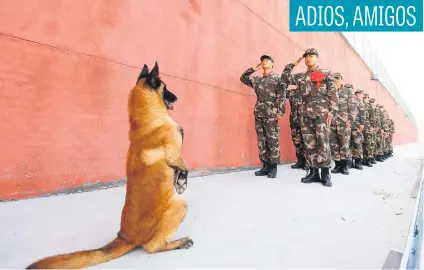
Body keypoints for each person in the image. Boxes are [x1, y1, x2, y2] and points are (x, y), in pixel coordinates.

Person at [283, 48, 339, 187]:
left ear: (317, 58)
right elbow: (284, 78)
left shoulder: (325, 73)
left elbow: (333, 93)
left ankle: (325, 174)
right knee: (309, 143)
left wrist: (332, 111)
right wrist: (293, 64)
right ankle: (313, 172)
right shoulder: (300, 77)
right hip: (304, 114)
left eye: (312, 56)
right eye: (306, 57)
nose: (309, 59)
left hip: (321, 113)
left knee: (322, 142)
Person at [240, 55, 287, 178]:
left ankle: (273, 167)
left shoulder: (278, 78)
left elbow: (282, 95)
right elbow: (243, 78)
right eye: (263, 61)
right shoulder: (258, 80)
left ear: (272, 64)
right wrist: (253, 69)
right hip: (259, 113)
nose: (264, 62)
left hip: (271, 113)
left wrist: (280, 111)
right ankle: (265, 165)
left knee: (272, 140)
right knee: (262, 140)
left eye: (267, 60)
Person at [329, 72, 355, 175]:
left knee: (344, 144)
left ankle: (344, 166)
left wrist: (350, 120)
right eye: (334, 79)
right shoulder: (330, 90)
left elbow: (353, 107)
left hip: (344, 122)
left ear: (341, 79)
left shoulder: (348, 91)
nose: (336, 80)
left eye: (337, 78)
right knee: (334, 145)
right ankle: (337, 165)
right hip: (332, 123)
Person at [287, 76, 308, 171]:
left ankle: (308, 162)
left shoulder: (308, 91)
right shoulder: (291, 92)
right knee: (297, 141)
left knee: (306, 142)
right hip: (294, 120)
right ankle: (300, 161)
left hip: (305, 121)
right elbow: (280, 90)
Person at [351, 88, 366, 170]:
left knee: (358, 143)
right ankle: (350, 161)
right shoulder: (352, 101)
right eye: (358, 94)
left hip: (357, 126)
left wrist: (362, 124)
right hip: (350, 125)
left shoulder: (361, 103)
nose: (359, 95)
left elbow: (362, 115)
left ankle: (358, 162)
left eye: (361, 94)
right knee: (349, 144)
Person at [362, 93, 375, 167]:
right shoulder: (360, 104)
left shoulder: (370, 107)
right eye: (364, 98)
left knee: (369, 143)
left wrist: (372, 126)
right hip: (361, 126)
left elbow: (372, 117)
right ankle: (363, 159)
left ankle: (369, 159)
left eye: (366, 98)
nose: (365, 99)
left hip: (368, 126)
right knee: (362, 143)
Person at [369, 98, 379, 164]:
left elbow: (377, 119)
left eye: (373, 102)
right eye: (372, 102)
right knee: (370, 143)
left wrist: (377, 126)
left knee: (374, 143)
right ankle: (369, 159)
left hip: (374, 128)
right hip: (370, 127)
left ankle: (373, 158)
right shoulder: (369, 108)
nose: (373, 103)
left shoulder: (375, 109)